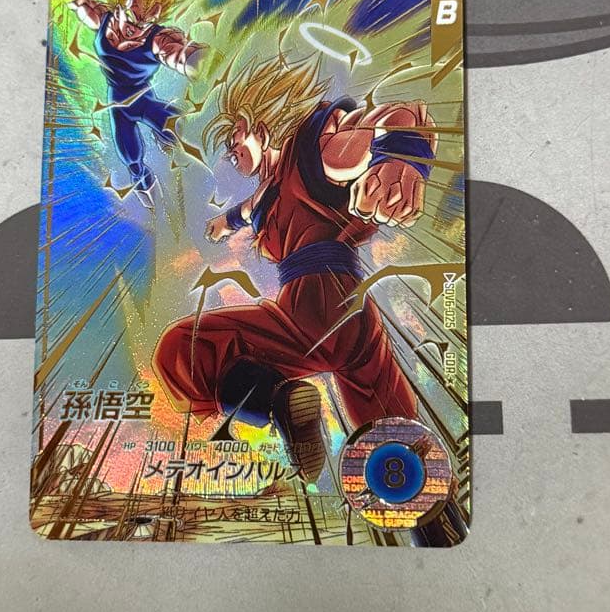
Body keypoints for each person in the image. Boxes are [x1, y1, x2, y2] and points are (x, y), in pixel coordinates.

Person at [152, 55, 437, 481]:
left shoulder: (313, 150)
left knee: (183, 351)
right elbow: (247, 211)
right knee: (395, 442)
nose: (231, 150)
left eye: (236, 136)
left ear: (261, 128)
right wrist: (222, 223)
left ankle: (276, 402)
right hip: (355, 316)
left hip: (312, 308)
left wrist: (402, 158)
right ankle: (427, 501)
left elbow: (396, 118)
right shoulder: (271, 190)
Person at [67, 0, 207, 206]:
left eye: (146, 20)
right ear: (123, 0)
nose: (135, 28)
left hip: (144, 101)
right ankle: (154, 205)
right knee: (132, 161)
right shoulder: (103, 18)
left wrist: (199, 61)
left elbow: (180, 54)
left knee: (179, 130)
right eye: (133, 17)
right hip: (119, 106)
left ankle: (189, 184)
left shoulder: (157, 38)